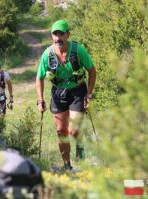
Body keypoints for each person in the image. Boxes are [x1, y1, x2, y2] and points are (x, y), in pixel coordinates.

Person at [36, 20, 96, 170]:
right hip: (58, 93)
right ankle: (67, 165)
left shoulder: (78, 50)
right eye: (55, 34)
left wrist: (89, 93)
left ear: (68, 34)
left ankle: (79, 145)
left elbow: (92, 71)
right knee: (61, 132)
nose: (58, 38)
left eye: (61, 34)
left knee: (73, 130)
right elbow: (39, 77)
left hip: (77, 91)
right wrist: (40, 100)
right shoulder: (47, 54)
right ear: (52, 36)